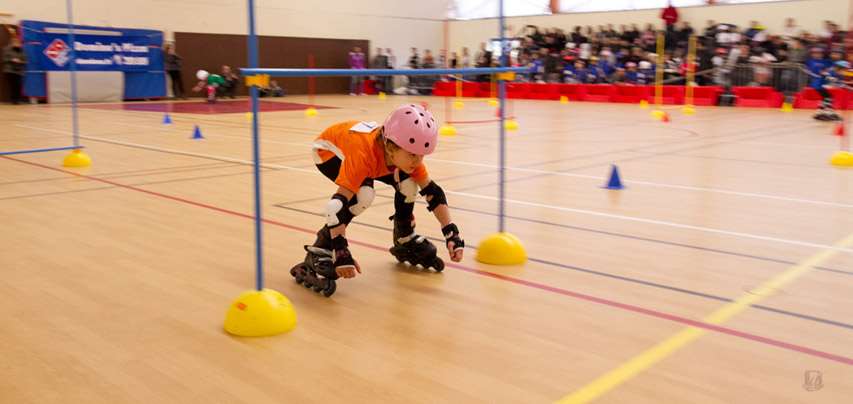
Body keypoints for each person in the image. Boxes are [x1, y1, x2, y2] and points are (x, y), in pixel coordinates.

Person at [289, 104, 465, 297]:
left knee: (409, 184)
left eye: (421, 155)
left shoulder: (402, 153)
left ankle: (404, 238)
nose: (417, 161)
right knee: (363, 195)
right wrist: (340, 250)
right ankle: (319, 249)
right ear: (390, 147)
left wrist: (451, 233)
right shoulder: (362, 155)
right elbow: (335, 207)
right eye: (412, 155)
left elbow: (433, 192)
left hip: (373, 156)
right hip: (328, 151)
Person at [2, 37, 27, 104]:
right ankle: (14, 100)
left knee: (18, 85)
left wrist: (20, 61)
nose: (18, 44)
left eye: (19, 43)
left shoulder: (22, 50)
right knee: (14, 85)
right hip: (10, 70)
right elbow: (4, 59)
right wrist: (12, 60)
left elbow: (25, 61)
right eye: (16, 43)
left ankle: (17, 100)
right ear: (12, 43)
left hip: (19, 71)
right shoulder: (6, 49)